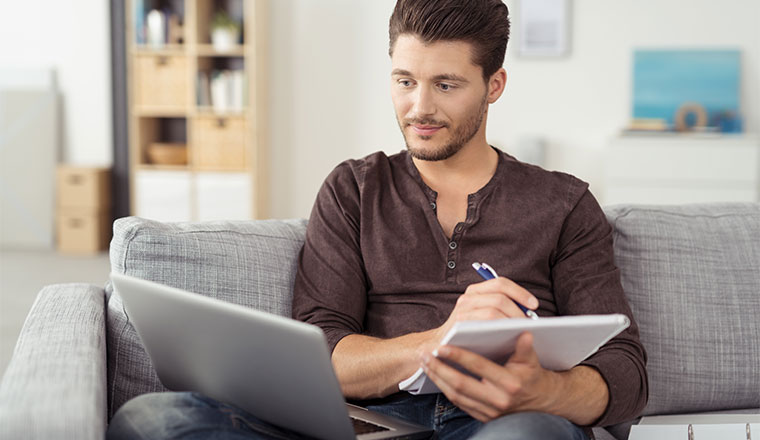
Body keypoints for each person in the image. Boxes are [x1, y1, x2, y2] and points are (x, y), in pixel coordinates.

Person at [107, 1, 647, 439]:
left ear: (495, 85)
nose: (419, 108)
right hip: (373, 423)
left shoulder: (564, 203)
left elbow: (626, 368)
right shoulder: (354, 189)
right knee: (152, 419)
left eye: (446, 84)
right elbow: (323, 349)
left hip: (504, 424)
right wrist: (439, 341)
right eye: (405, 81)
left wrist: (544, 393)